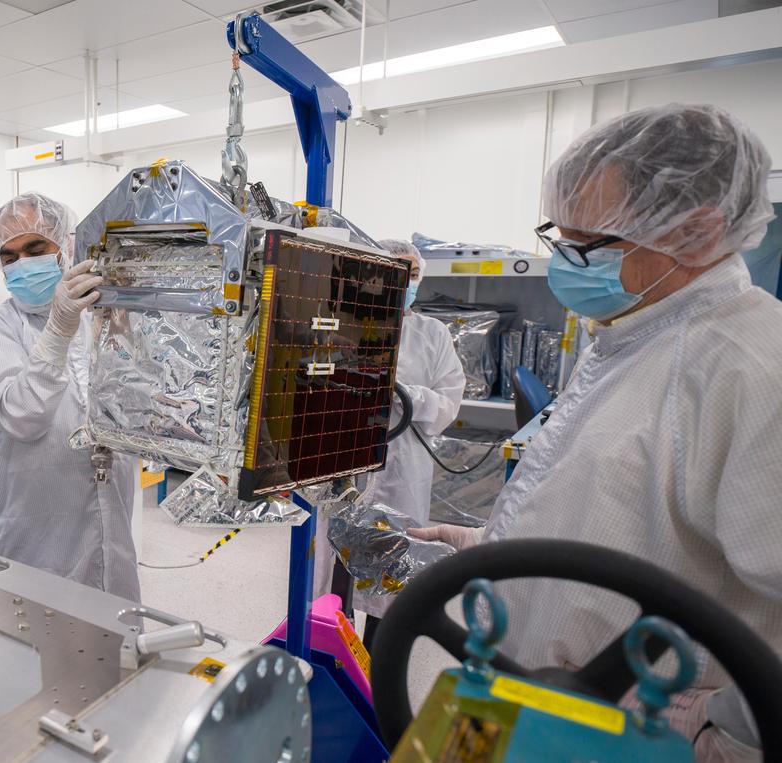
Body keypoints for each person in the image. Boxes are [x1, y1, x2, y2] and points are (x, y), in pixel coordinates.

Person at [412, 104, 780, 761]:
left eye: (588, 245)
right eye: (561, 236)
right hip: (528, 696)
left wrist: (724, 733)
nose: (566, 263)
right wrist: (488, 545)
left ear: (697, 232)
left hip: (629, 734)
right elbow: (619, 511)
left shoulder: (751, 368)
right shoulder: (632, 329)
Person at [0, 192, 140, 600]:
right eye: (9, 257)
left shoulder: (104, 318)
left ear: (67, 247)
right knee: (41, 633)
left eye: (35, 248)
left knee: (116, 626)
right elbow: (20, 416)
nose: (22, 263)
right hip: (37, 526)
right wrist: (58, 330)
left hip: (111, 511)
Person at [315, 240, 465, 646]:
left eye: (412, 274)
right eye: (396, 273)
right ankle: (332, 651)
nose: (405, 283)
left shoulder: (432, 335)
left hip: (402, 471)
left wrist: (400, 393)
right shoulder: (338, 323)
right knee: (334, 574)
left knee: (390, 572)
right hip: (341, 464)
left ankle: (379, 660)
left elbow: (449, 404)